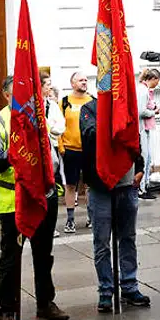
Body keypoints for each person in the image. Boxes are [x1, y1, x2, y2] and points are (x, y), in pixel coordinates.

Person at [0, 77, 71, 320]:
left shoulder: (39, 118)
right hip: (14, 201)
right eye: (18, 94)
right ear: (6, 95)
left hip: (43, 197)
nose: (25, 100)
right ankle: (8, 310)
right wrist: (13, 153)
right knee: (11, 258)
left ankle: (45, 302)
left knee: (44, 254)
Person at [77, 91, 154, 312]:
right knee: (102, 242)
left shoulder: (125, 108)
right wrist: (113, 122)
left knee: (127, 238)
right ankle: (106, 290)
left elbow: (134, 140)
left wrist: (140, 167)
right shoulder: (89, 109)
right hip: (101, 186)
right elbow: (90, 135)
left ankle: (129, 286)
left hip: (126, 184)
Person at [58, 72, 93, 234]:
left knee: (90, 185)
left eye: (85, 80)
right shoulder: (64, 102)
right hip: (70, 150)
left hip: (89, 150)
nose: (84, 82)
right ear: (72, 83)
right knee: (71, 185)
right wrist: (61, 147)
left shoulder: (92, 101)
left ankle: (91, 216)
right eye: (80, 80)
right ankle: (70, 219)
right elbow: (57, 126)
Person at [138, 68, 160, 199]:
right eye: (157, 81)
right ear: (153, 79)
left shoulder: (144, 90)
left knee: (147, 157)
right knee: (145, 158)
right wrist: (154, 112)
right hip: (142, 128)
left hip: (145, 127)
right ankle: (141, 189)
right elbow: (141, 111)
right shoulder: (143, 91)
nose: (157, 84)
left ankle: (145, 186)